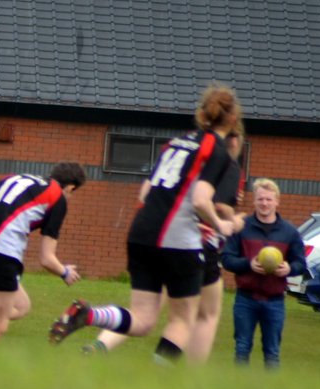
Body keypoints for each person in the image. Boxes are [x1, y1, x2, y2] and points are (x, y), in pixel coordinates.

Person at [49, 83, 238, 362]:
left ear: (202, 114)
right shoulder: (217, 151)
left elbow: (145, 193)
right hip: (177, 239)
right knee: (182, 320)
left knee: (143, 319)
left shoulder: (174, 144)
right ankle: (158, 378)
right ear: (232, 118)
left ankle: (89, 315)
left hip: (141, 232)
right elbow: (201, 200)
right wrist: (222, 226)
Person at [82, 128, 246, 358]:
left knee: (145, 311)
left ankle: (99, 344)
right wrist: (235, 221)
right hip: (195, 242)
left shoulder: (180, 149)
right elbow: (219, 206)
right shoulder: (226, 162)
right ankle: (187, 371)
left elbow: (145, 194)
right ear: (235, 139)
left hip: (159, 235)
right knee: (204, 314)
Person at [0, 162, 86, 346]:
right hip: (3, 251)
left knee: (21, 305)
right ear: (70, 187)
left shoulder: (19, 178)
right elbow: (46, 258)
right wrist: (65, 272)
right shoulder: (58, 198)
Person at [221, 178, 308, 368]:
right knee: (242, 348)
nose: (264, 203)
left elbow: (301, 263)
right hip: (246, 299)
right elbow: (227, 259)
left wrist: (289, 269)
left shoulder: (289, 232)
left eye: (269, 199)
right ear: (254, 201)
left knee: (272, 352)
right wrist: (248, 264)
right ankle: (238, 385)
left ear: (277, 201)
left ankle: (271, 386)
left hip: (275, 300)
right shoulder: (242, 227)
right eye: (260, 199)